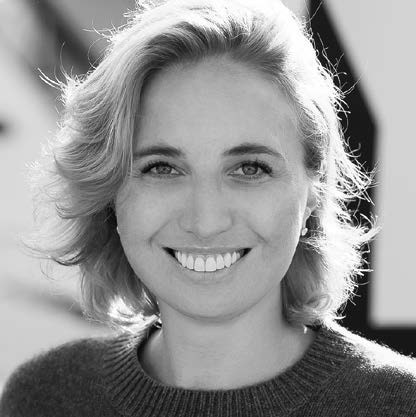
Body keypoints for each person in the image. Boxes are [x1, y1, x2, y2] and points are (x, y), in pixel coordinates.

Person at [1, 0, 415, 415]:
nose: (205, 221)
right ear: (109, 191)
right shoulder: (44, 398)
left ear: (314, 190)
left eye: (250, 168)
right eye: (162, 168)